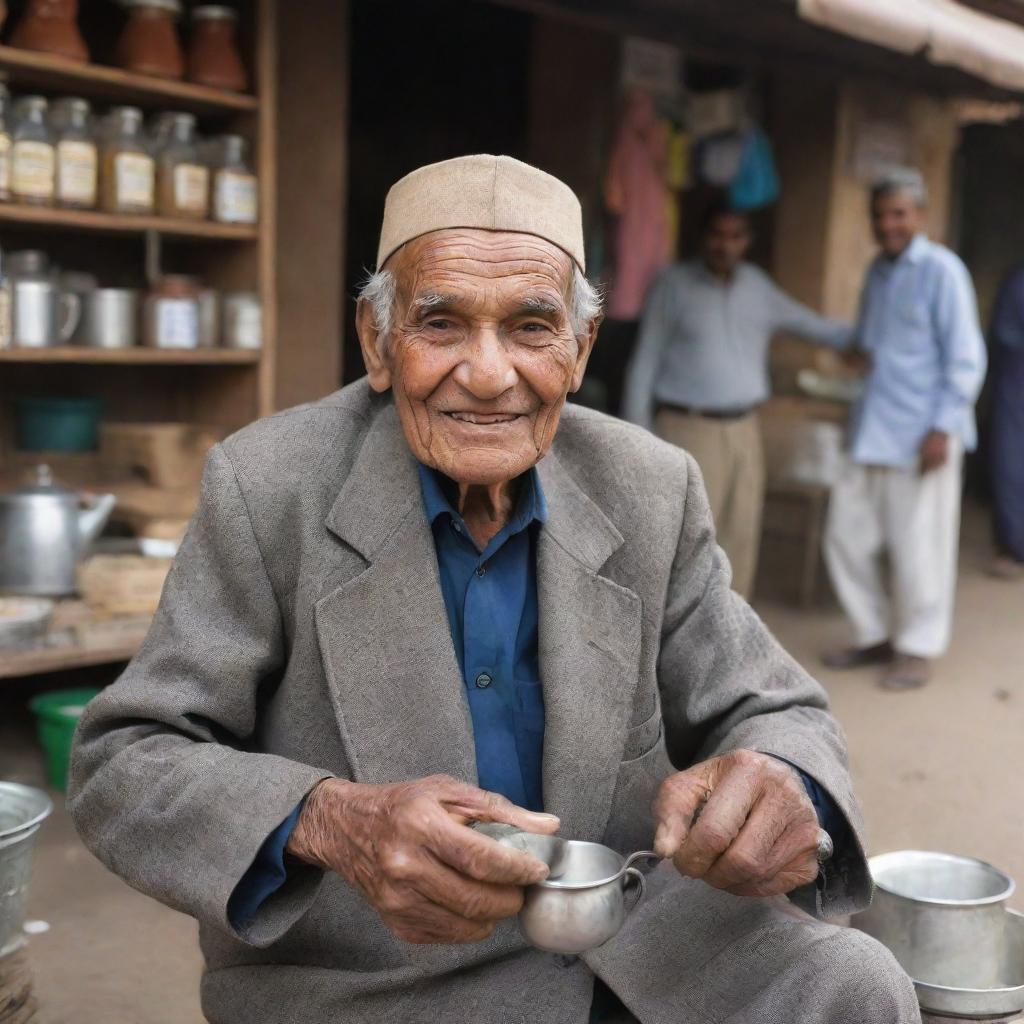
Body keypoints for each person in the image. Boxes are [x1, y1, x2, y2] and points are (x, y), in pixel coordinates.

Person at [69, 155, 914, 1024]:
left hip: (640, 936)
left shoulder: (649, 486)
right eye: (440, 323)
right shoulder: (268, 487)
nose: (487, 372)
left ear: (580, 349)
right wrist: (330, 822)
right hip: (381, 976)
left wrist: (781, 780)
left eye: (531, 327)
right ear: (377, 340)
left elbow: (779, 708)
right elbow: (125, 760)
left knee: (855, 985)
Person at [622, 204, 853, 598]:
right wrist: (637, 436)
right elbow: (645, 361)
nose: (725, 245)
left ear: (747, 241)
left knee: (741, 537)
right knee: (687, 539)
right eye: (717, 235)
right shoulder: (673, 284)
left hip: (745, 431)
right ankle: (675, 645)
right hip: (689, 430)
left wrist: (874, 339)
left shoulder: (757, 287)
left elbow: (811, 326)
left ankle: (726, 640)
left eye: (735, 236)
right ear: (703, 237)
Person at [824, 168, 987, 690]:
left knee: (920, 547)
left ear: (919, 214)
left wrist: (943, 427)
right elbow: (871, 347)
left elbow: (966, 359)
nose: (888, 224)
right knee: (846, 535)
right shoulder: (877, 271)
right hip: (873, 424)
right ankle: (873, 632)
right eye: (879, 215)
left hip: (923, 435)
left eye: (898, 213)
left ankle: (917, 647)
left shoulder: (943, 271)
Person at [988, 264, 1024, 579]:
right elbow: (1005, 337)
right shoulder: (1017, 284)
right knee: (1011, 462)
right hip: (1017, 380)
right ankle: (1014, 545)